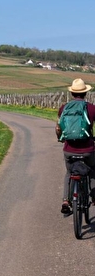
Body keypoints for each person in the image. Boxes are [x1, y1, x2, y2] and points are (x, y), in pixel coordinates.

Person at [56, 78, 95, 214]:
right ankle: (94, 197)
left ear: (72, 93)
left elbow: (58, 127)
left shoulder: (64, 108)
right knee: (92, 170)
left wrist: (60, 139)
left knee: (69, 172)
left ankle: (66, 201)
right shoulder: (91, 108)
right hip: (88, 150)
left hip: (69, 149)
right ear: (85, 93)